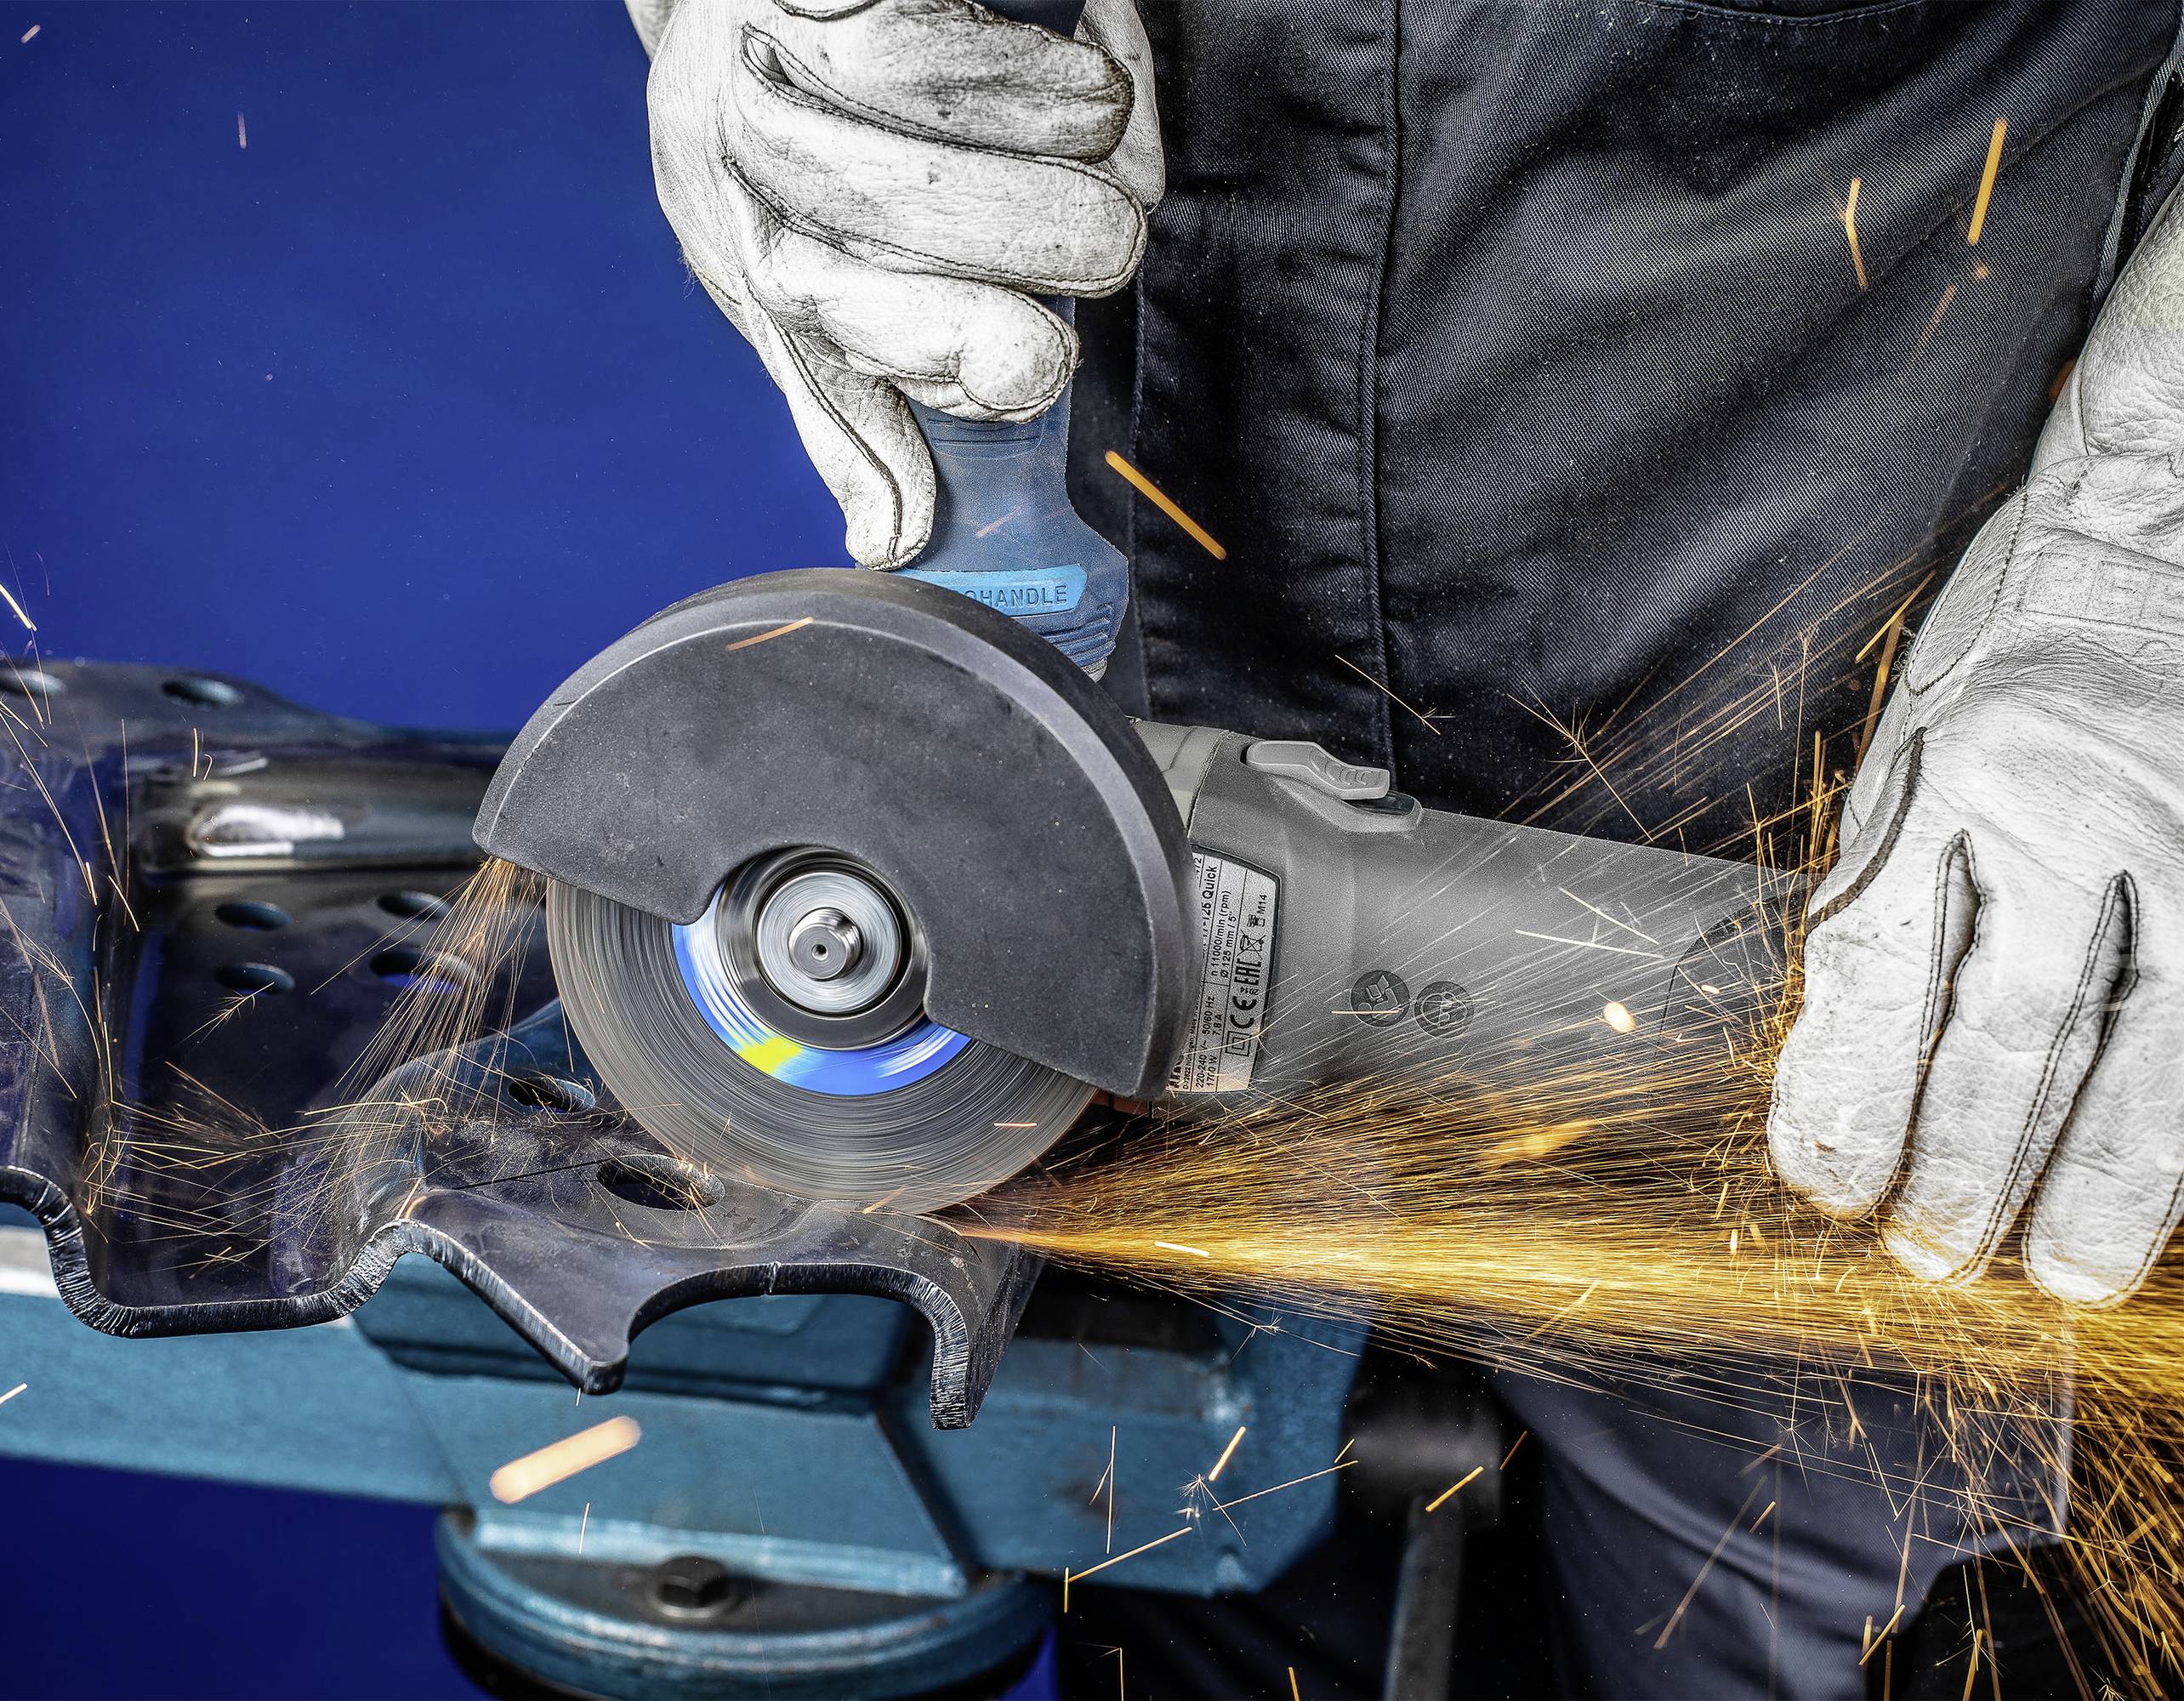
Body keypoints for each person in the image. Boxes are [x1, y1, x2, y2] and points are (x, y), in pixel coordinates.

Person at [617, 0, 2183, 1692]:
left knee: (1821, 1614)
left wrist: (2145, 556)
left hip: (1838, 832)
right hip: (1147, 775)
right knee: (1196, 1565)